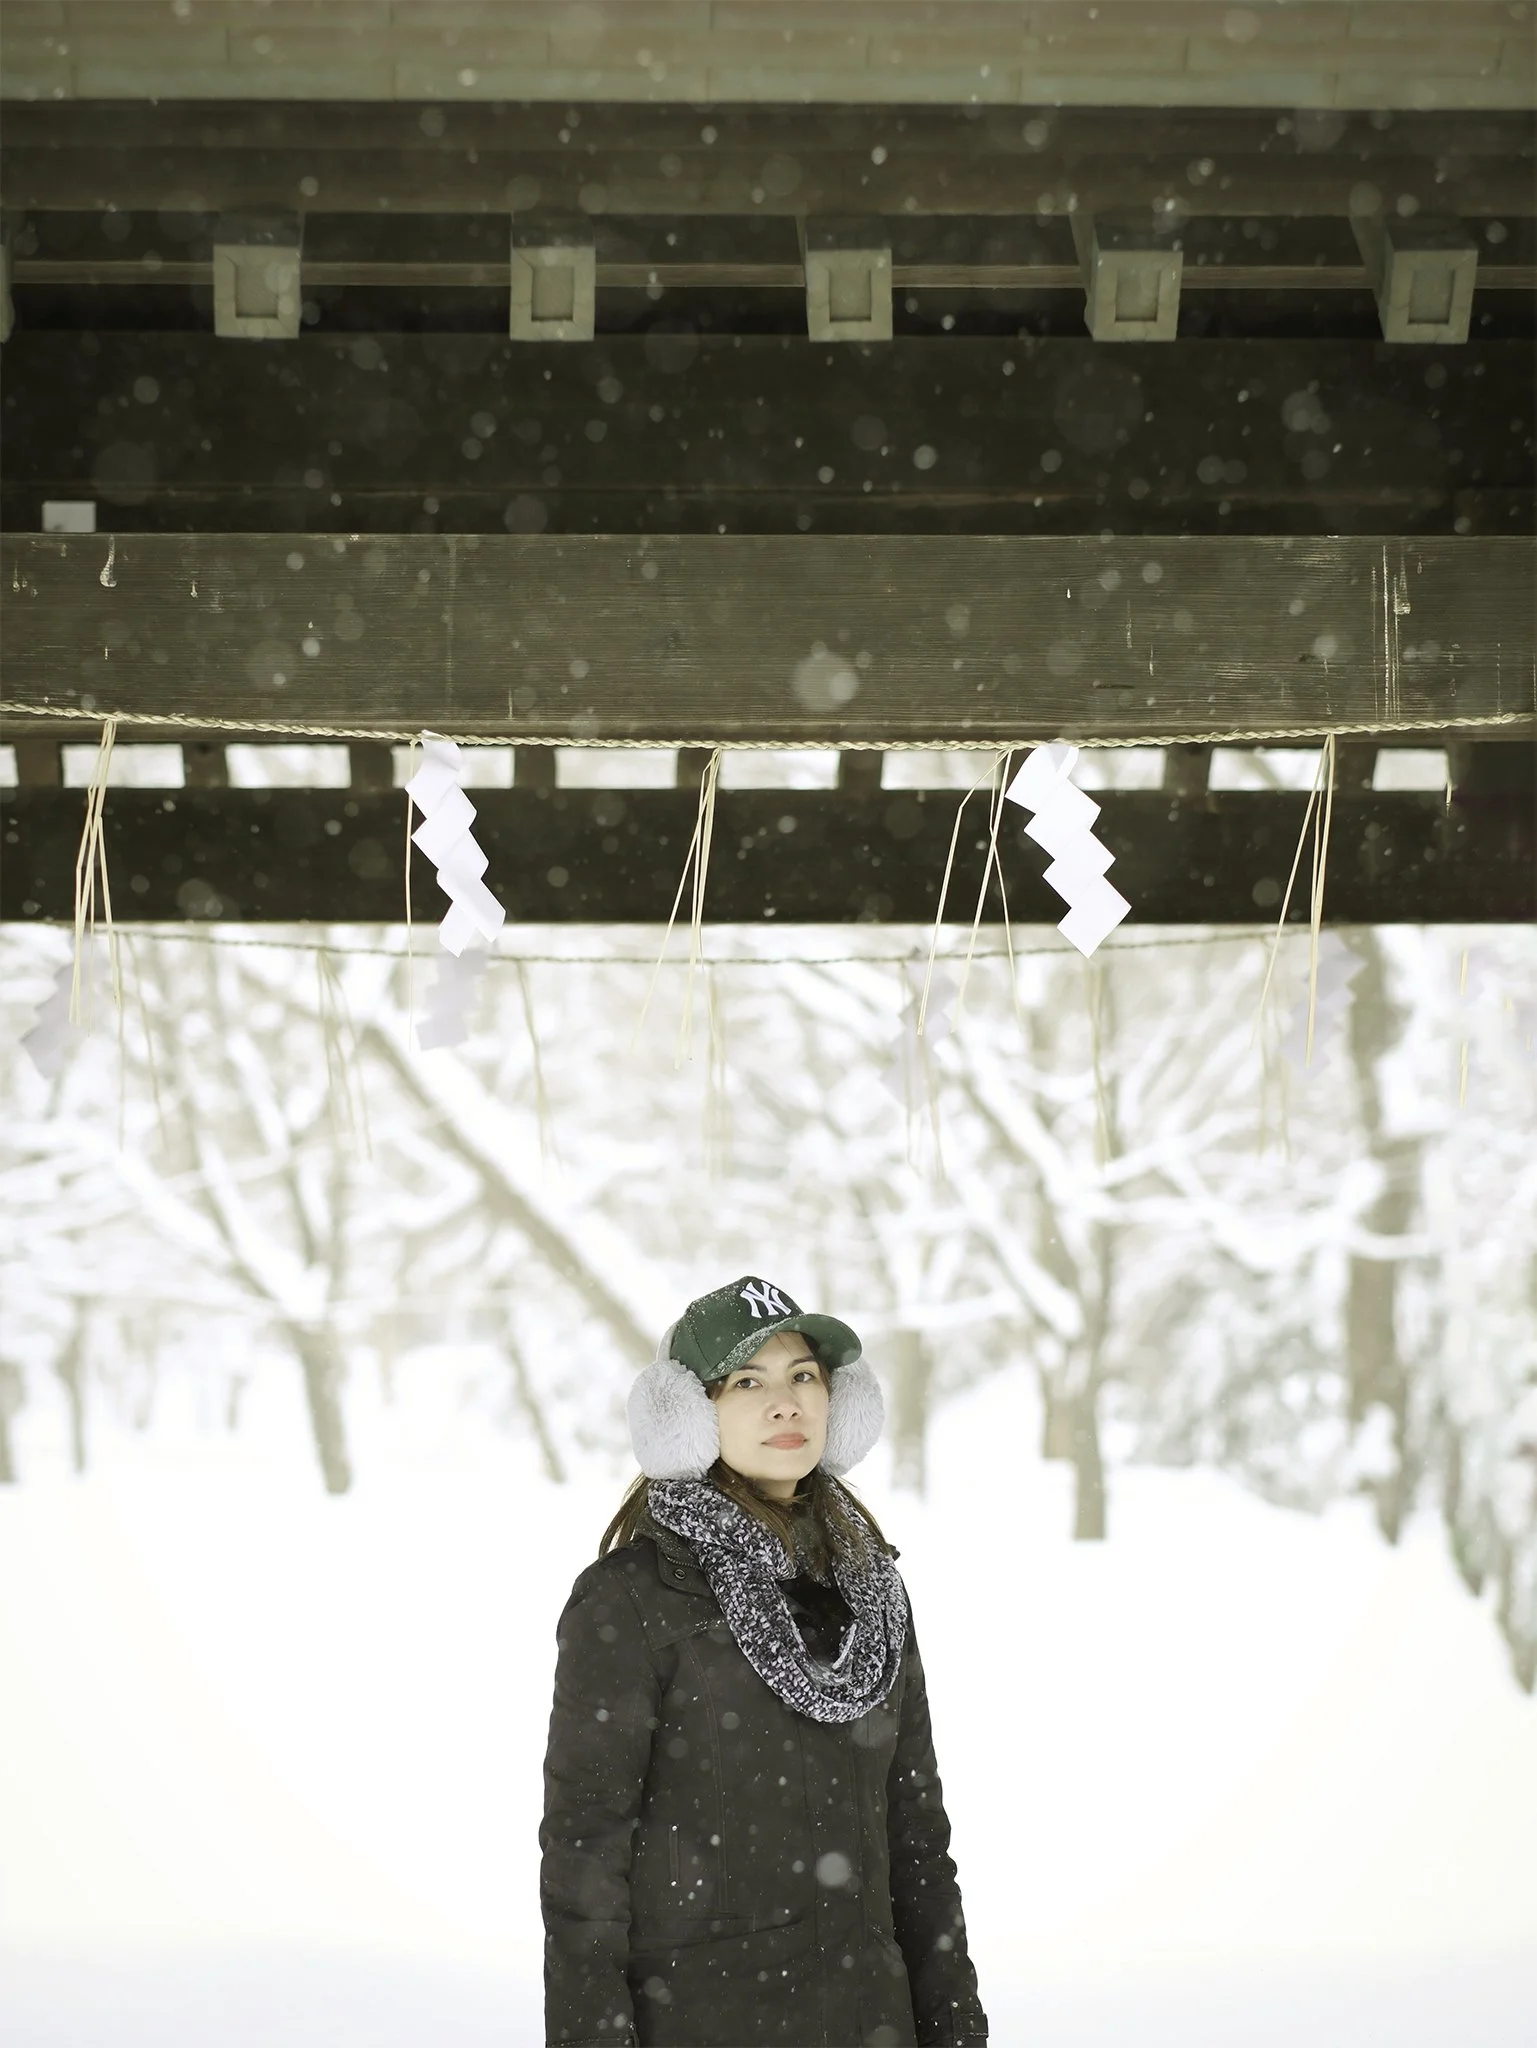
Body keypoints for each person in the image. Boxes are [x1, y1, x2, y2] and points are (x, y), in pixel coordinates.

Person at [540, 1275, 988, 2048]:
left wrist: (954, 2026)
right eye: (746, 1381)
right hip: (703, 2020)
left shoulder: (874, 1592)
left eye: (803, 1377)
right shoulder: (629, 1600)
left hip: (869, 2020)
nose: (786, 1404)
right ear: (687, 1417)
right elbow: (585, 1857)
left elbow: (917, 1841)